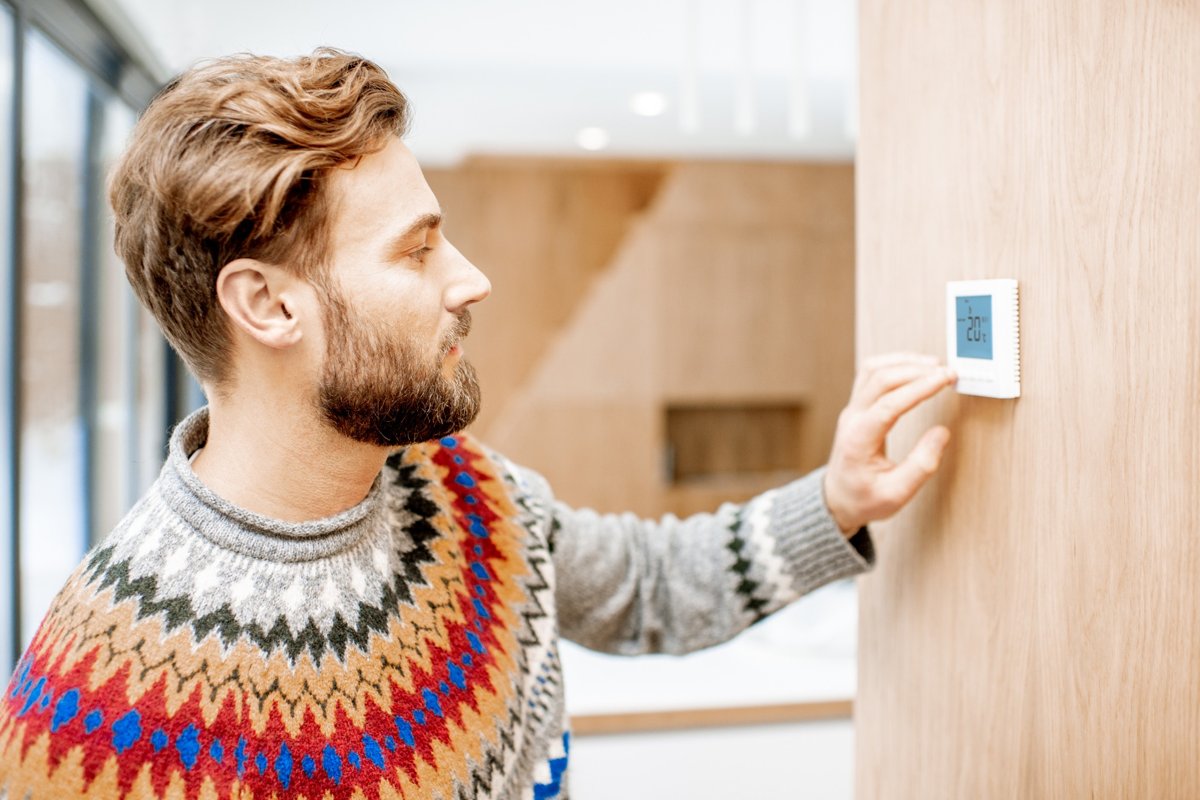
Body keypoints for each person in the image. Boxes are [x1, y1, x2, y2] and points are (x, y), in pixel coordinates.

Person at [0, 49, 955, 800]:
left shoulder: (452, 484)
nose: (471, 279)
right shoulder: (95, 719)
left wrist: (835, 502)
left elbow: (648, 588)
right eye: (416, 252)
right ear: (268, 306)